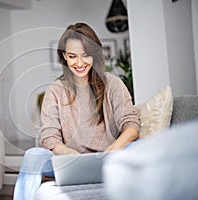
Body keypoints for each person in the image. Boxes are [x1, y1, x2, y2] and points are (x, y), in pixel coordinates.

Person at [13, 22, 140, 200]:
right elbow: (49, 137)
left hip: (110, 156)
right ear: (64, 56)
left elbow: (131, 125)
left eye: (86, 55)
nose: (79, 63)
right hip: (69, 160)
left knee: (140, 146)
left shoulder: (113, 84)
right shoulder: (56, 89)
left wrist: (113, 149)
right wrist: (76, 158)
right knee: (33, 156)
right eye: (73, 56)